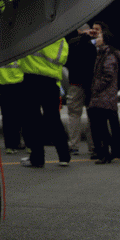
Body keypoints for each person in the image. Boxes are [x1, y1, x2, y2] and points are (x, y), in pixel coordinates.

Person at [18, 37, 71, 168]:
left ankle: (37, 158)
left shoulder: (33, 34)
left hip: (32, 79)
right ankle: (64, 156)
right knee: (53, 118)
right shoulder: (61, 39)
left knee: (33, 120)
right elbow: (62, 59)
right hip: (51, 81)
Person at [87, 22, 120, 164]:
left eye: (99, 37)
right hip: (104, 96)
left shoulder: (108, 54)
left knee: (101, 126)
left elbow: (108, 75)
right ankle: (110, 151)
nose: (96, 39)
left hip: (103, 95)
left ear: (105, 40)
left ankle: (105, 154)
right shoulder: (103, 53)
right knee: (102, 126)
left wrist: (95, 87)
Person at [65, 25, 96, 156]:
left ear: (78, 31)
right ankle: (93, 145)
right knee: (92, 115)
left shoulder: (71, 44)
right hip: (90, 83)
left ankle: (73, 145)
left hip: (75, 82)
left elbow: (66, 62)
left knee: (73, 114)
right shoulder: (93, 44)